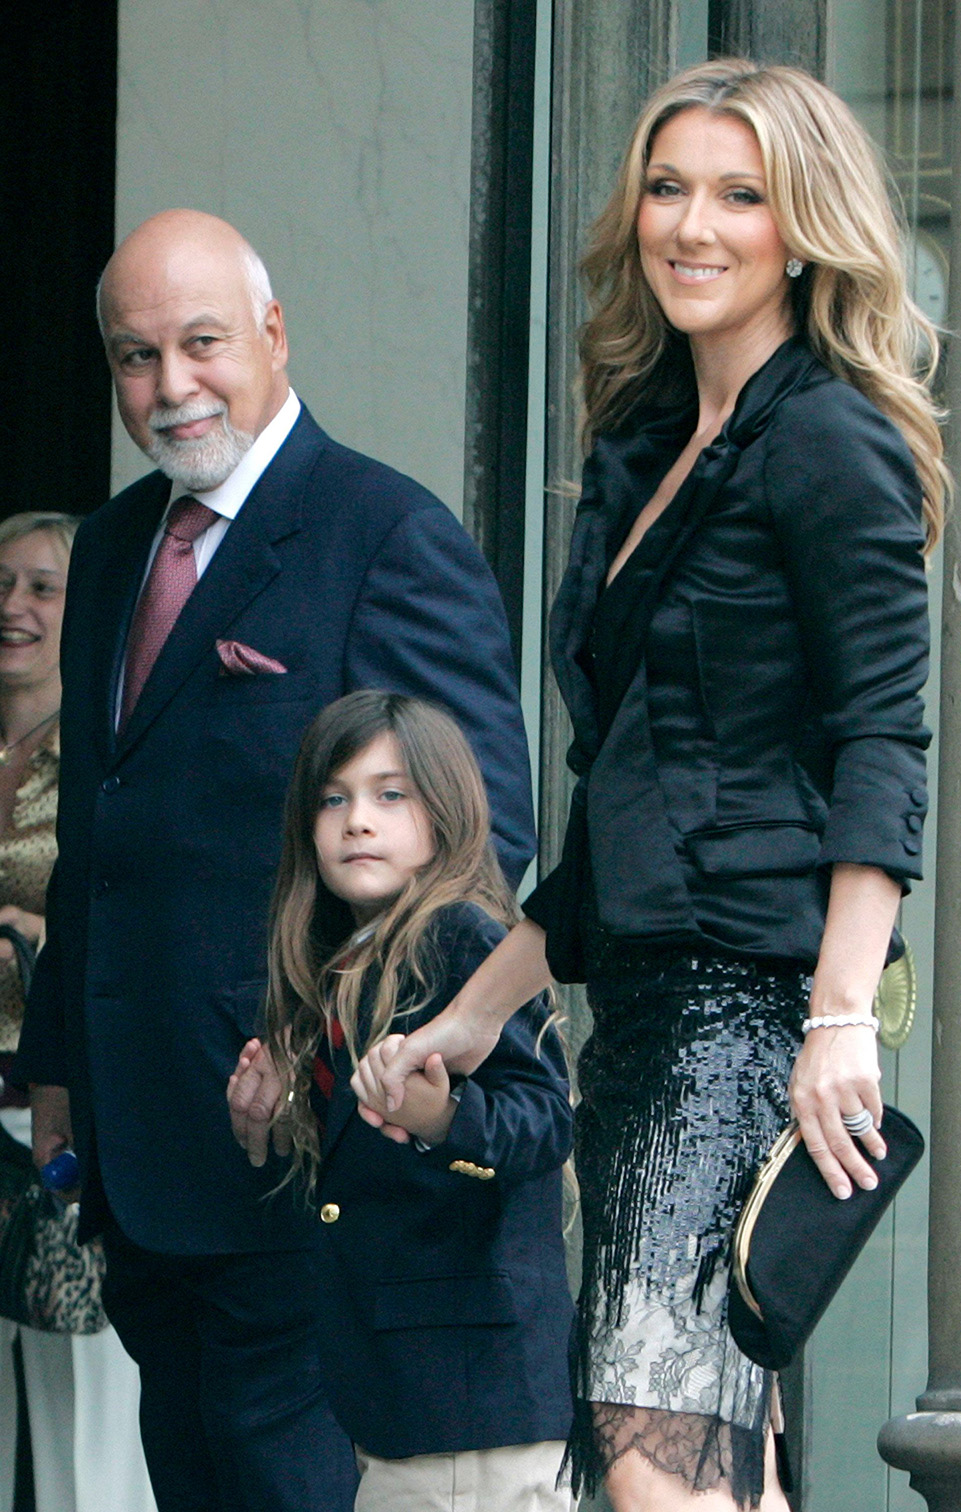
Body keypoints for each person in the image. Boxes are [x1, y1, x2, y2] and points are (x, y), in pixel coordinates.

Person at [349, 60, 948, 1512]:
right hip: (646, 1021)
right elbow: (629, 810)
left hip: (748, 1020)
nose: (694, 224)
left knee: (654, 1466)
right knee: (702, 1474)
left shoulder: (829, 439)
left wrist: (837, 1016)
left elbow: (883, 737)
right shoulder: (641, 449)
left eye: (739, 195)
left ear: (799, 229)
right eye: (669, 188)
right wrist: (472, 1020)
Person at [12, 209, 535, 1512]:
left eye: (201, 344)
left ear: (275, 334)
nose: (171, 386)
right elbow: (101, 833)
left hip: (304, 1166)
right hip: (136, 1164)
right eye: (136, 358)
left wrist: (332, 1058)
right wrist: (59, 1063)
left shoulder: (384, 537)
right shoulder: (115, 549)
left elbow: (479, 846)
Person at [239, 689, 575, 1511]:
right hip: (403, 1406)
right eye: (334, 798)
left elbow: (545, 1121)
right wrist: (269, 1126)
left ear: (447, 814)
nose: (358, 819)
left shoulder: (462, 936)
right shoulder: (340, 966)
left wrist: (444, 1119)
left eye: (391, 795)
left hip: (477, 1405)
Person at [0, 512, 154, 1512]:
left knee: (84, 1416)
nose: (13, 607)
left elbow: (131, 928)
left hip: (49, 1104)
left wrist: (19, 923)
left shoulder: (112, 755)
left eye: (41, 587)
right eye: (0, 583)